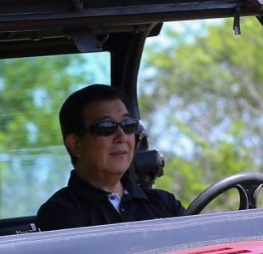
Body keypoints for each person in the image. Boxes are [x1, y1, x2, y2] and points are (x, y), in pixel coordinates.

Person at [36, 84, 183, 230]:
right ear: (76, 145)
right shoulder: (59, 213)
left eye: (128, 124)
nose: (122, 136)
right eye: (106, 127)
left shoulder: (164, 204)